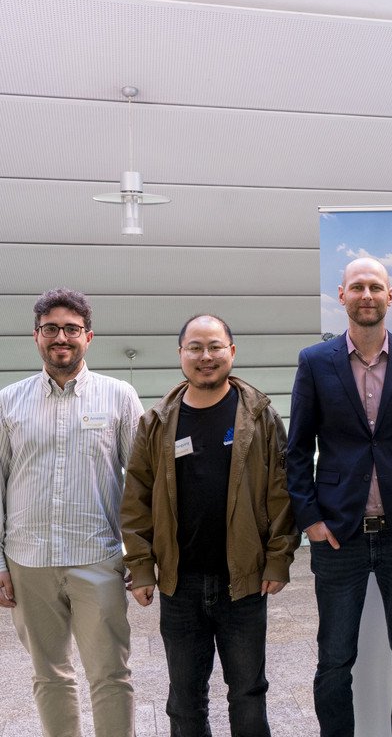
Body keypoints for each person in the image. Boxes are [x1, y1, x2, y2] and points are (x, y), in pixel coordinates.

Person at [286, 257, 392, 737]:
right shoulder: (315, 362)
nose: (366, 295)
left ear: (389, 296)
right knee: (334, 659)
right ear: (341, 296)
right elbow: (297, 449)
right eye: (357, 287)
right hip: (339, 534)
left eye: (375, 287)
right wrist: (310, 520)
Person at [120, 314, 300, 736]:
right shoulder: (156, 422)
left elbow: (282, 492)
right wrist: (142, 567)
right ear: (180, 354)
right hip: (179, 584)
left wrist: (278, 559)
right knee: (184, 700)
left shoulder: (260, 416)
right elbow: (136, 500)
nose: (206, 356)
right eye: (195, 347)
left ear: (231, 352)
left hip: (244, 581)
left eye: (215, 346)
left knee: (248, 693)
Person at [0, 288, 143, 737]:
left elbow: (143, 483)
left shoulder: (119, 397)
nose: (61, 337)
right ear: (36, 336)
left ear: (88, 336)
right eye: (51, 329)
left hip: (97, 559)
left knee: (111, 674)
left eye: (71, 329)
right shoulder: (8, 402)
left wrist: (141, 556)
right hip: (28, 563)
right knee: (49, 676)